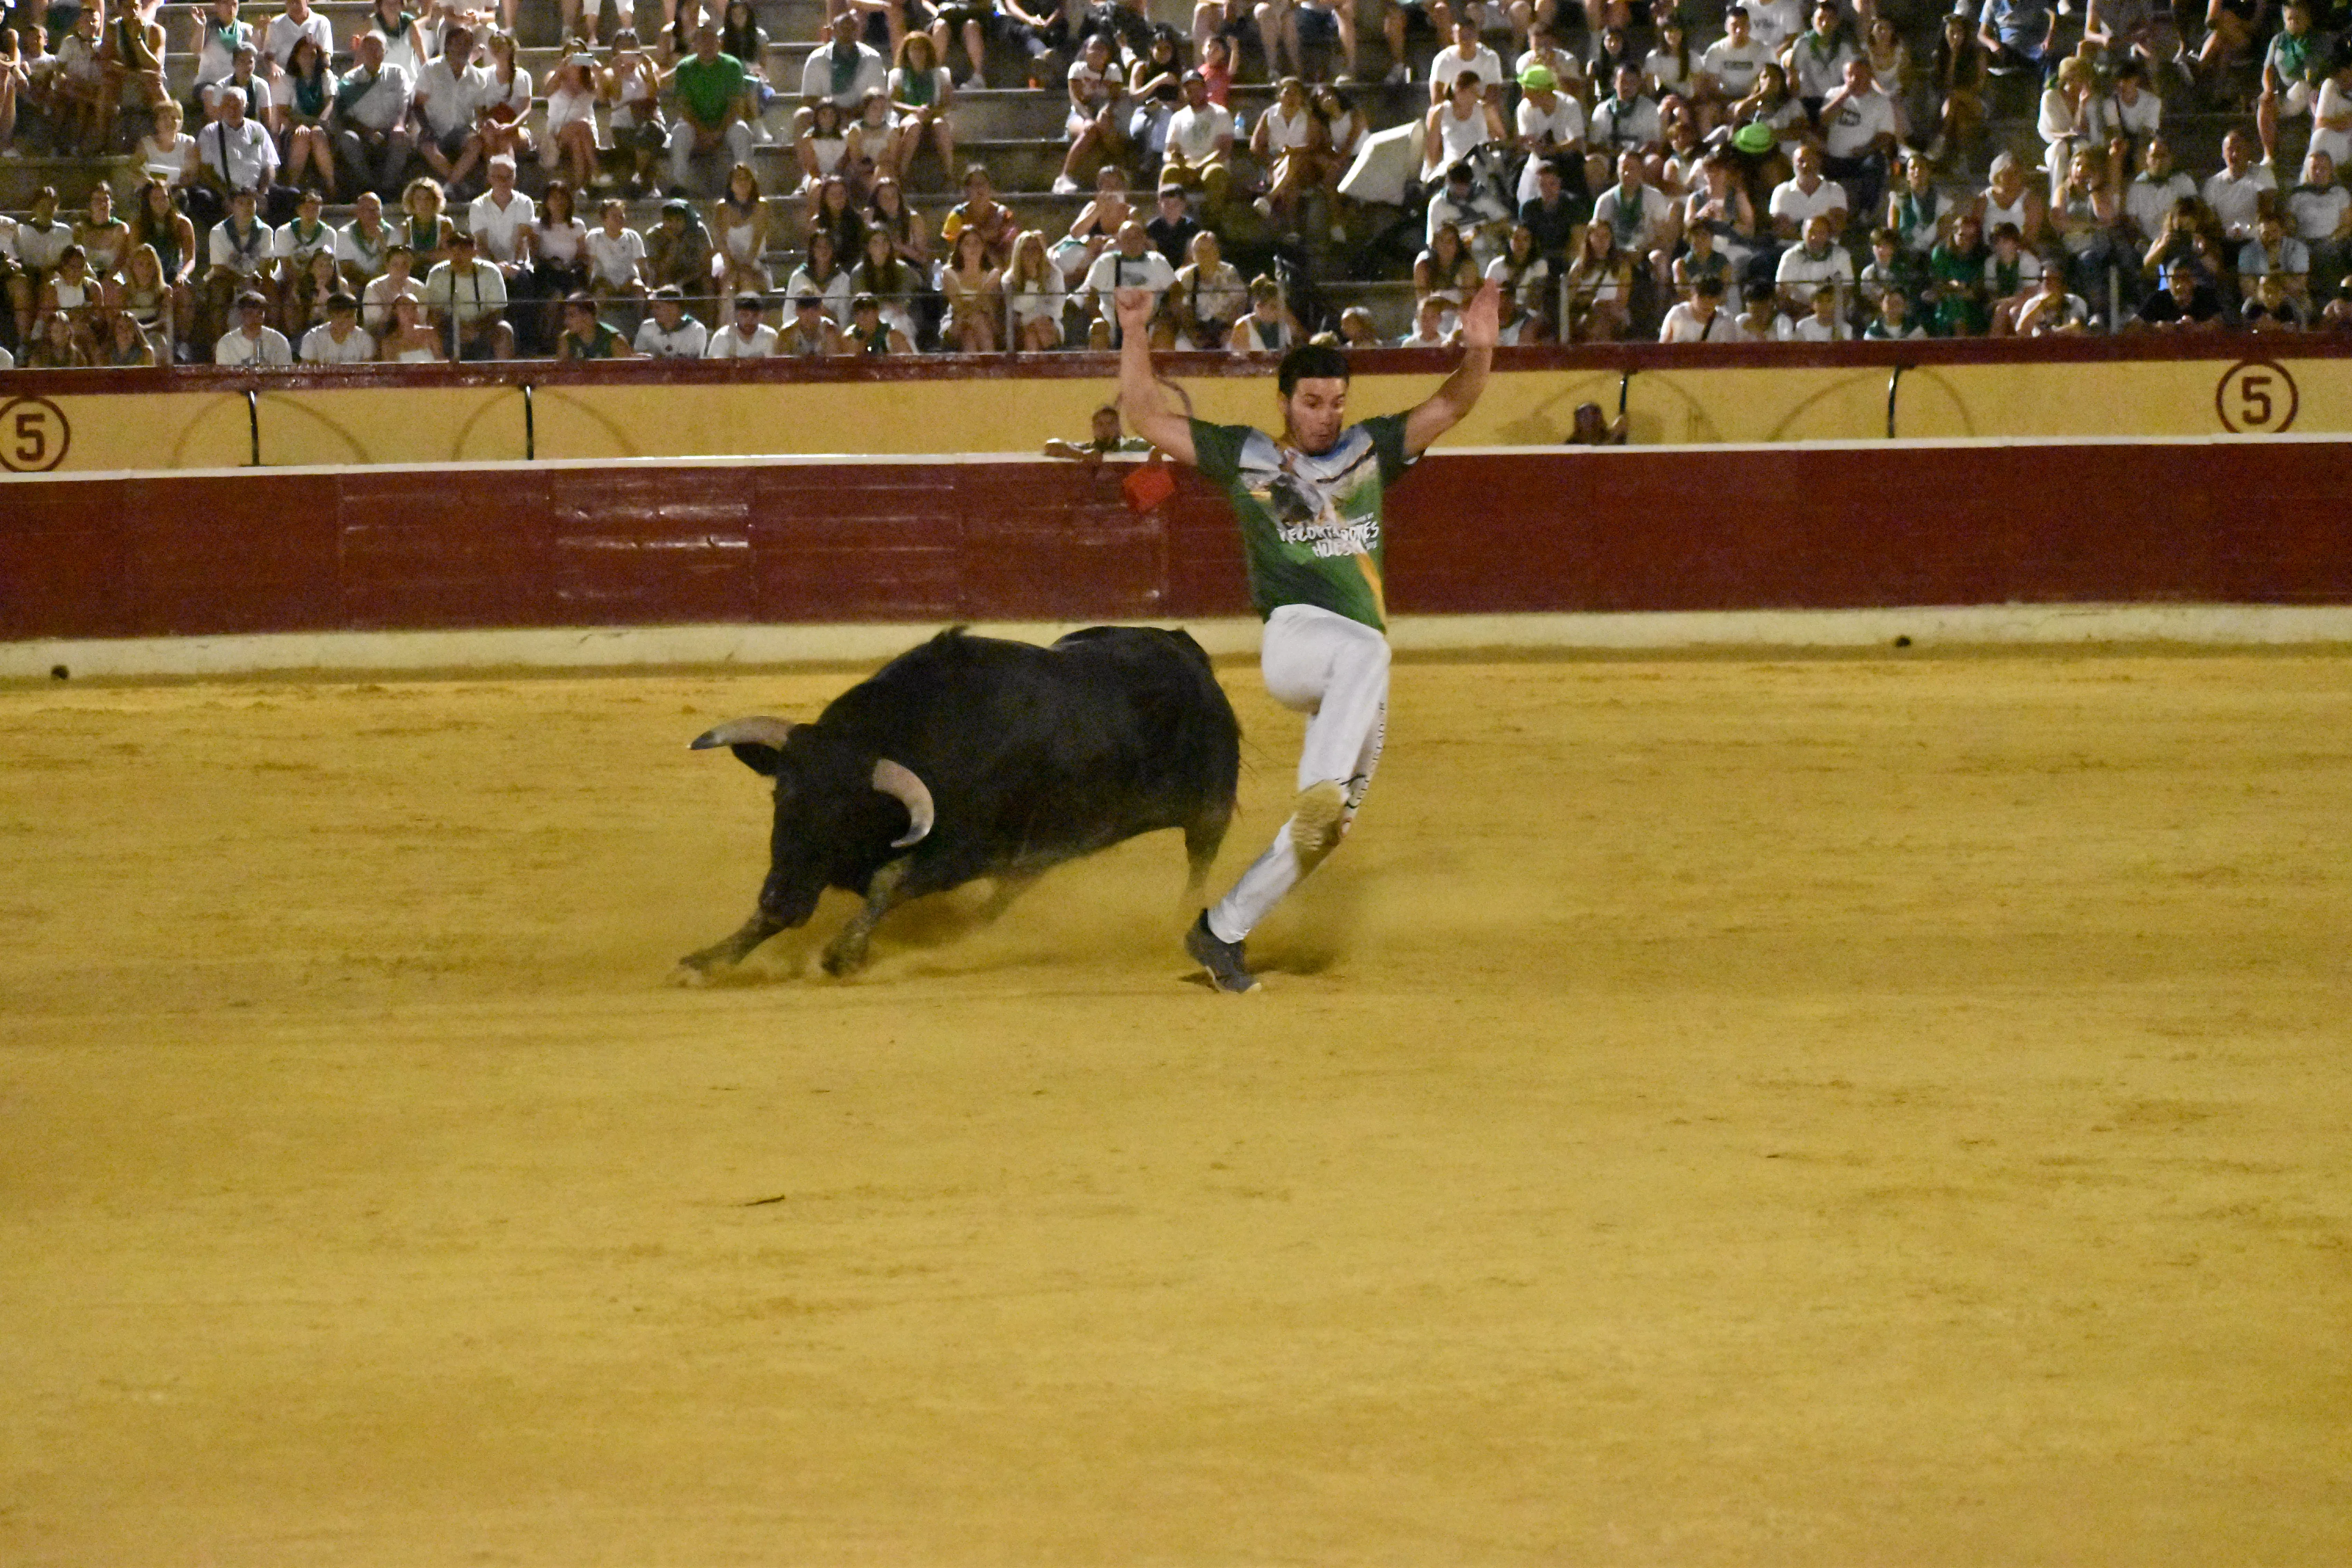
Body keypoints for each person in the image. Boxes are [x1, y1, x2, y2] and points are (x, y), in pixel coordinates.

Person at [1112, 278, 1499, 992]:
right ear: (1286, 403)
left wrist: (1479, 351)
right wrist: (1135, 329)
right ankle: (1319, 783)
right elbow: (1143, 413)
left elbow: (1452, 402)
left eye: (1337, 403)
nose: (1327, 417)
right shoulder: (1248, 455)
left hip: (1357, 676)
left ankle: (1222, 931)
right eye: (1313, 403)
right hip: (1297, 641)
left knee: (1326, 830)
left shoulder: (1371, 450)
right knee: (1365, 654)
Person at [1044, 403, 1154, 459]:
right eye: (1100, 424)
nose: (1105, 428)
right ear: (1094, 428)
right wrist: (1083, 456)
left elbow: (1166, 444)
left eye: (1110, 423)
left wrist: (1156, 452)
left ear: (1119, 427)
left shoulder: (1134, 446)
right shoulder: (1088, 449)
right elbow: (1051, 445)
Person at [216, 288, 293, 363]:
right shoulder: (226, 343)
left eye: (259, 313)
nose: (255, 318)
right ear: (241, 315)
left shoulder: (279, 341)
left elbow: (286, 373)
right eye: (250, 313)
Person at [299, 288, 375, 360]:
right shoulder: (312, 338)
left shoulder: (364, 339)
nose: (354, 320)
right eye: (347, 317)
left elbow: (367, 370)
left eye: (354, 315)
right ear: (333, 317)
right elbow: (308, 371)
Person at [635, 282, 711, 354]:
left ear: (674, 308)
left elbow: (694, 364)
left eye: (658, 307)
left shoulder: (696, 330)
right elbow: (638, 358)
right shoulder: (647, 327)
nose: (653, 311)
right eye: (652, 307)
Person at [705, 291, 777, 355]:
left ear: (762, 316)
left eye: (755, 315)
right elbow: (716, 366)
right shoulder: (722, 337)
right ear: (735, 315)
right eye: (744, 315)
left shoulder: (770, 336)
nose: (750, 320)